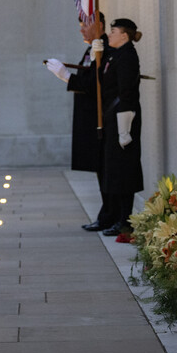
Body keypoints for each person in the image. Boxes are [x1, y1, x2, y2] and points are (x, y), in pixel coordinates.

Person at [45, 13, 114, 231]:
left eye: (86, 24)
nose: (81, 29)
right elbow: (88, 77)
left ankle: (112, 217)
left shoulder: (104, 49)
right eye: (81, 25)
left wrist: (67, 77)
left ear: (100, 25)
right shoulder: (92, 48)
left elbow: (95, 84)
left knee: (107, 171)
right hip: (91, 118)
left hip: (103, 118)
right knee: (100, 170)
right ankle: (107, 216)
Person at [97, 18, 144, 236]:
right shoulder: (116, 55)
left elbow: (126, 92)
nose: (110, 35)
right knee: (114, 170)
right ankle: (117, 217)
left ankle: (125, 220)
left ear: (124, 35)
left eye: (113, 31)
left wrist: (124, 127)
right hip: (113, 118)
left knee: (124, 171)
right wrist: (96, 54)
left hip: (123, 119)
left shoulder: (127, 57)